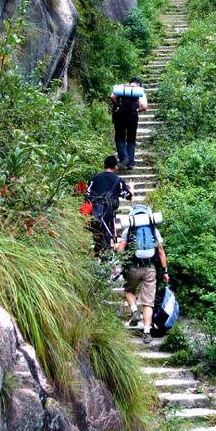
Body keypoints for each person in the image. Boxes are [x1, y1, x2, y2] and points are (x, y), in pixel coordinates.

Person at [114, 205, 169, 345]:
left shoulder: (129, 229)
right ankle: (146, 332)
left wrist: (116, 247)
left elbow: (120, 250)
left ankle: (134, 310)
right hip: (150, 269)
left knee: (128, 291)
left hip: (133, 268)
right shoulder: (153, 230)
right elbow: (161, 252)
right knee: (148, 302)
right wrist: (165, 271)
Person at [85, 155, 132, 256]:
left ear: (104, 165)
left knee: (96, 234)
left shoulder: (94, 179)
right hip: (109, 212)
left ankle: (98, 254)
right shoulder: (118, 180)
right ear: (115, 166)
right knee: (108, 234)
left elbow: (87, 194)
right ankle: (106, 256)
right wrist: (130, 190)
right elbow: (127, 196)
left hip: (95, 211)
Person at [110, 77, 147, 171]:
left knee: (119, 137)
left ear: (130, 82)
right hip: (132, 117)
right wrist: (136, 110)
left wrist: (117, 105)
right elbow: (144, 106)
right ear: (139, 84)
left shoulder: (122, 88)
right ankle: (130, 162)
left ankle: (124, 158)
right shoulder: (139, 91)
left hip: (119, 115)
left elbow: (112, 96)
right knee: (131, 139)